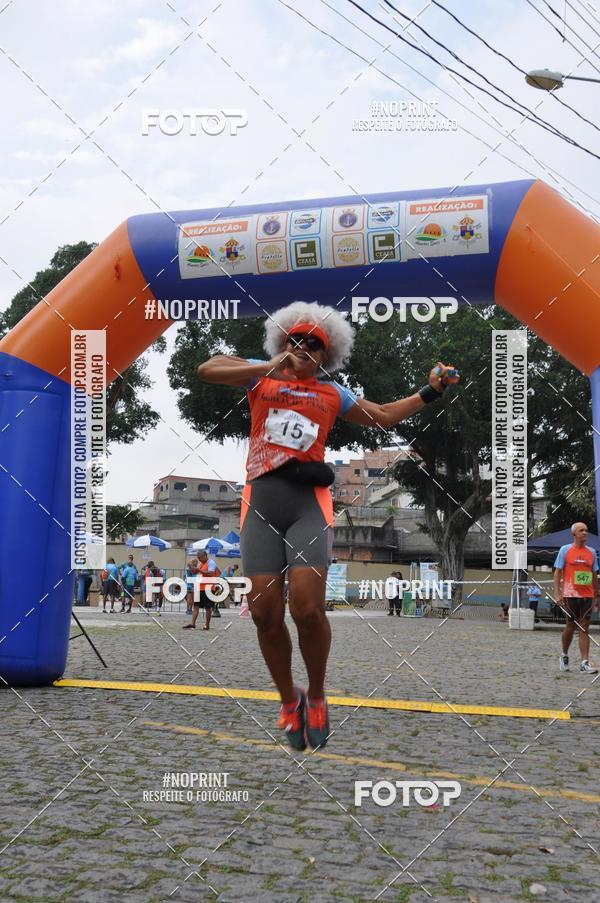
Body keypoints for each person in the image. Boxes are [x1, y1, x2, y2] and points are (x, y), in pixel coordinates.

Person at [197, 300, 456, 751]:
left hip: (307, 506)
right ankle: (288, 699)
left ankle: (316, 696)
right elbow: (207, 370)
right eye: (294, 341)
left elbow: (384, 414)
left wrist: (429, 391)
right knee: (263, 612)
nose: (303, 348)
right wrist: (269, 364)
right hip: (260, 503)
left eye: (313, 345)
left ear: (325, 355)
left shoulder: (332, 393)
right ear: (282, 344)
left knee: (307, 609)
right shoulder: (260, 376)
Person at [554, 522, 599, 674]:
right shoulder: (565, 550)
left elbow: (594, 574)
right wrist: (557, 593)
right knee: (570, 625)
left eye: (586, 530)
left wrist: (596, 595)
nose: (585, 533)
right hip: (570, 594)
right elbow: (557, 572)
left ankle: (584, 663)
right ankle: (564, 654)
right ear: (574, 534)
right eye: (581, 530)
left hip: (587, 594)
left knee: (584, 626)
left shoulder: (592, 552)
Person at [183, 550, 220, 630]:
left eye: (200, 557)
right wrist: (191, 567)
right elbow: (195, 572)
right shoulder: (201, 564)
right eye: (198, 558)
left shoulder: (211, 563)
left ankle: (207, 625)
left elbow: (210, 573)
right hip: (199, 587)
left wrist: (198, 570)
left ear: (205, 556)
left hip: (208, 588)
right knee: (196, 606)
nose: (199, 559)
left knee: (208, 608)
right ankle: (193, 624)